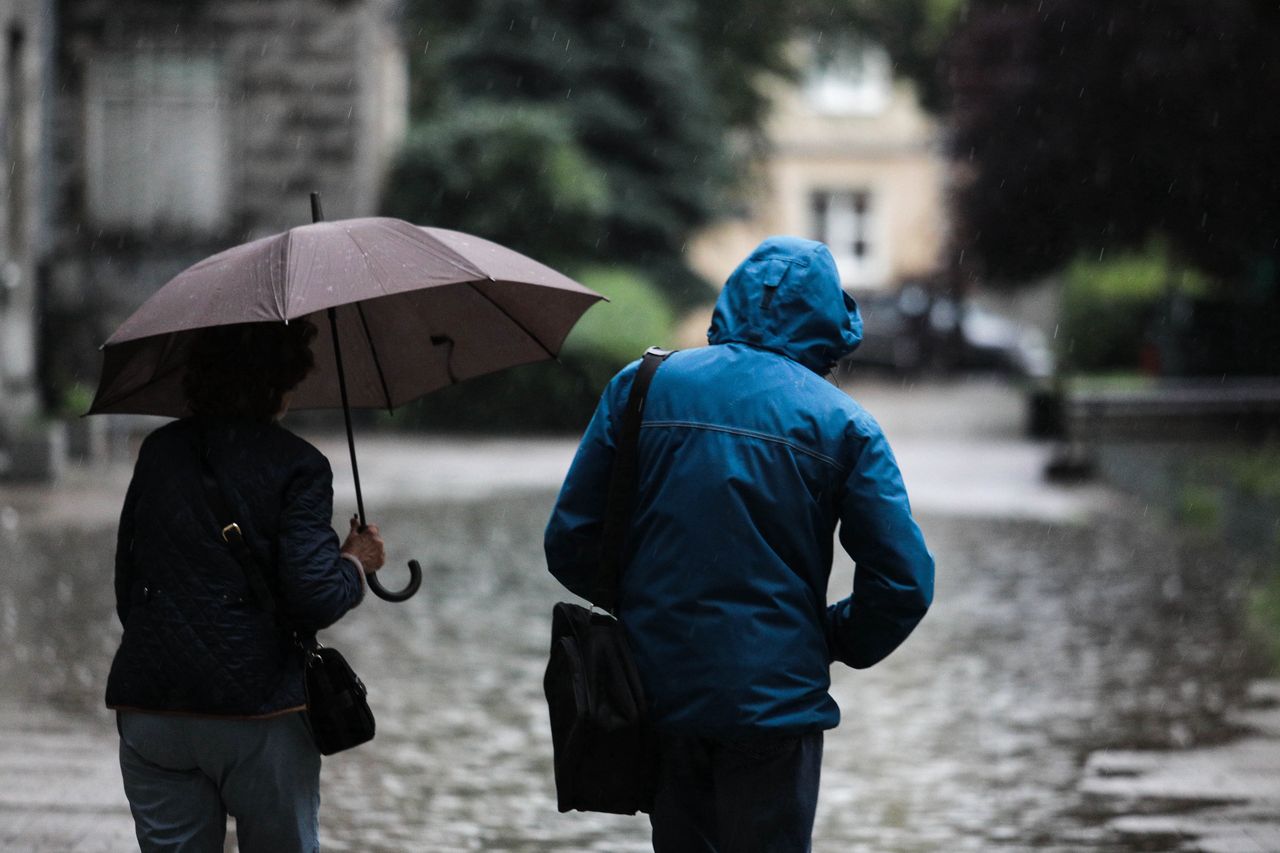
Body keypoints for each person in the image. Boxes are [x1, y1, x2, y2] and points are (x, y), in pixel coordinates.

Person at [544, 236, 935, 852]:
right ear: (830, 324)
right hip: (777, 705)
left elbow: (570, 541)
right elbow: (903, 583)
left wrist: (652, 612)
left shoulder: (642, 385)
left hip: (661, 696)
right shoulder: (845, 425)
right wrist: (830, 638)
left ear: (731, 300)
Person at [105, 320, 386, 852]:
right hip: (260, 712)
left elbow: (129, 584)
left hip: (151, 706)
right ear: (282, 378)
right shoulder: (300, 465)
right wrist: (355, 561)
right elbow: (315, 596)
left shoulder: (159, 451)